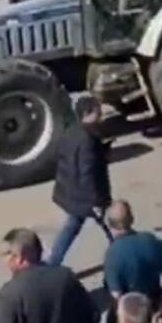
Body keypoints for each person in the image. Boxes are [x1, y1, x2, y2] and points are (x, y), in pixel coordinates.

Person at [47, 96, 112, 267]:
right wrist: (96, 202)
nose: (101, 116)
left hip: (71, 192)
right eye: (98, 113)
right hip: (87, 196)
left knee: (72, 227)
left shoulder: (71, 132)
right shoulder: (88, 139)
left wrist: (101, 150)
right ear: (87, 113)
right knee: (114, 224)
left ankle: (53, 262)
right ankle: (122, 253)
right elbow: (87, 173)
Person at [103, 200, 162, 307]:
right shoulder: (150, 239)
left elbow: (116, 294)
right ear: (132, 219)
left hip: (132, 308)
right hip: (155, 300)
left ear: (109, 224)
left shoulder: (112, 255)